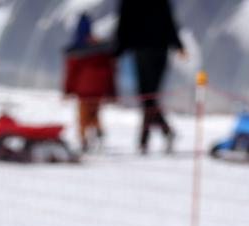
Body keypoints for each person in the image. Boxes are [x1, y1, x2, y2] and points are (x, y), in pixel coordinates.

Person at [115, 0, 184, 154]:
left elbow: (124, 22)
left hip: (143, 48)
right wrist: (178, 44)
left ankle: (145, 139)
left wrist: (117, 50)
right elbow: (168, 20)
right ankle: (162, 133)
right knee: (150, 96)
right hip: (159, 48)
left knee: (148, 96)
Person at [62, 13, 117, 154]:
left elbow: (71, 73)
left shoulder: (77, 49)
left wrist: (67, 91)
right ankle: (97, 129)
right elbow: (111, 70)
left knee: (83, 116)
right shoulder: (102, 48)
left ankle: (84, 141)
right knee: (95, 113)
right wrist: (112, 91)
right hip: (99, 88)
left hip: (83, 89)